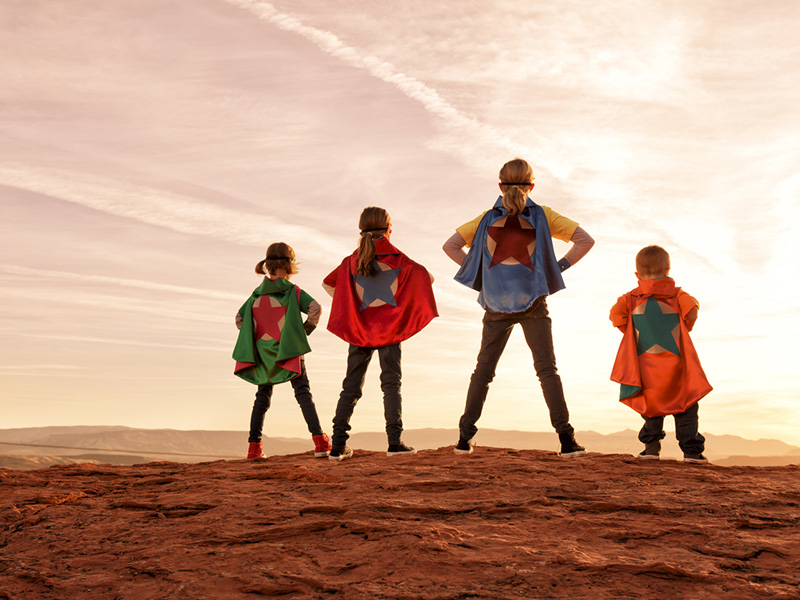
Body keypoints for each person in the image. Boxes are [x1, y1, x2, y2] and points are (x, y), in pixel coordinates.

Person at [443, 158, 594, 457]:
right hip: (534, 301)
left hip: (495, 304)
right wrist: (557, 267)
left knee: (483, 371)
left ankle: (464, 439)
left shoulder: (485, 219)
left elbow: (450, 246)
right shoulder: (543, 215)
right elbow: (584, 240)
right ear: (532, 186)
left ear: (500, 186)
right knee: (547, 370)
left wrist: (481, 272)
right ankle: (567, 440)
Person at [323, 207, 438, 461]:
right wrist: (399, 302)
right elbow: (426, 277)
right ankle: (394, 443)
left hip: (359, 331)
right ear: (389, 229)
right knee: (391, 385)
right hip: (390, 331)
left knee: (350, 387)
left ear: (360, 230)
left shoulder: (350, 261)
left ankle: (337, 446)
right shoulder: (397, 258)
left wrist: (352, 307)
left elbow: (328, 283)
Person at [610, 244, 712, 464]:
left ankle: (651, 448)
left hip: (646, 367)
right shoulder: (678, 295)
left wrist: (632, 333)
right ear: (668, 270)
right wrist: (686, 325)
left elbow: (615, 316)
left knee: (651, 406)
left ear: (637, 274)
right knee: (686, 404)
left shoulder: (629, 299)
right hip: (678, 366)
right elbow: (692, 309)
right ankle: (692, 451)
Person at [232, 242, 331, 459]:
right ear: (289, 265)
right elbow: (315, 308)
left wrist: (256, 338)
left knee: (262, 397)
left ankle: (254, 448)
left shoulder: (256, 295)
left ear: (268, 266)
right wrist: (303, 332)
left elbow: (240, 318)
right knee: (303, 393)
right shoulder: (292, 291)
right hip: (290, 352)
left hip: (264, 354)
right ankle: (321, 443)